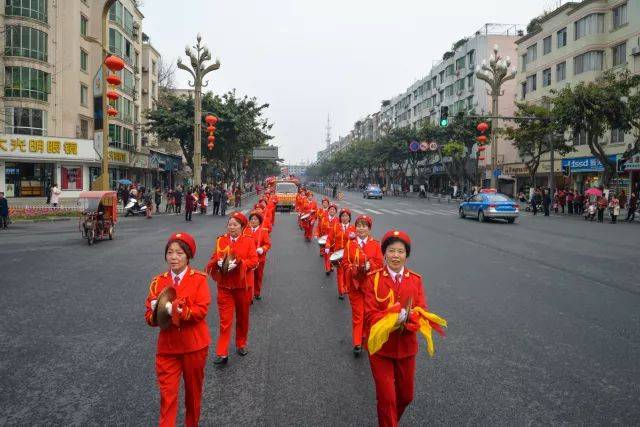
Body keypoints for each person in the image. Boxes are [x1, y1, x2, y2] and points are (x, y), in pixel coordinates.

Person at [364, 230, 445, 427]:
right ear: (384, 253)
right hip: (381, 349)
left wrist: (412, 319)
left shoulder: (415, 279)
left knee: (406, 397)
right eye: (391, 251)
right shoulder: (373, 279)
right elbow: (369, 316)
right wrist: (392, 318)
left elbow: (422, 310)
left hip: (406, 348)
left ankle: (389, 420)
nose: (395, 256)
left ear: (406, 255)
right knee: (387, 399)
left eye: (400, 251)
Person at [144, 232, 211, 427]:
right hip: (168, 349)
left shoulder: (199, 279)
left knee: (193, 394)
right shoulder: (158, 282)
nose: (174, 257)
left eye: (179, 253)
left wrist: (176, 311)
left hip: (194, 346)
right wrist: (156, 312)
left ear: (188, 255)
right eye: (170, 252)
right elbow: (149, 317)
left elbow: (201, 311)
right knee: (168, 396)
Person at [206, 212, 258, 364]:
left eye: (235, 225)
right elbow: (214, 257)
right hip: (225, 287)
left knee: (242, 318)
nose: (232, 227)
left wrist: (240, 264)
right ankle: (222, 352)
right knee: (225, 321)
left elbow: (254, 261)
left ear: (242, 227)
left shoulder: (249, 241)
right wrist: (217, 263)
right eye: (230, 224)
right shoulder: (221, 240)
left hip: (242, 287)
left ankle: (241, 343)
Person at [341, 215, 383, 356]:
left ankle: (365, 335)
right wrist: (353, 269)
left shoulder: (376, 245)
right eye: (359, 225)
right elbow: (344, 263)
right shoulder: (349, 244)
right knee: (358, 313)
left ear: (369, 229)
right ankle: (357, 343)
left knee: (368, 313)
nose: (361, 228)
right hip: (355, 285)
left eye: (364, 226)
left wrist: (369, 265)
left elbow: (379, 264)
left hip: (370, 286)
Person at [325, 208, 356, 300]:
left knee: (348, 273)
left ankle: (346, 287)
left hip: (349, 255)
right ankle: (341, 291)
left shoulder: (353, 228)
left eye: (346, 216)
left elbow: (357, 242)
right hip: (338, 254)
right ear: (340, 217)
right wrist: (327, 246)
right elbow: (329, 238)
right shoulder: (336, 227)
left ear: (349, 218)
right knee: (340, 273)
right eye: (342, 216)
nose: (344, 218)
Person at [242, 211, 271, 301]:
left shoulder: (263, 231)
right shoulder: (245, 230)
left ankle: (257, 292)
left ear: (259, 221)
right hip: (248, 259)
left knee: (258, 276)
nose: (253, 221)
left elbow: (268, 244)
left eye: (255, 219)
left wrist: (262, 249)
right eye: (251, 219)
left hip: (259, 258)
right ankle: (248, 295)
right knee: (247, 277)